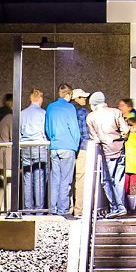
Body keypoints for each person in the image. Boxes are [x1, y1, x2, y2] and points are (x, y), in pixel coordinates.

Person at [84, 91, 128, 219]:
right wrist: (121, 140)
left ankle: (116, 207)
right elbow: (125, 130)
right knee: (119, 180)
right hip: (120, 150)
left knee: (107, 181)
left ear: (93, 104)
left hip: (106, 152)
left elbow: (95, 139)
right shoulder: (116, 112)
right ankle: (121, 206)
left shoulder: (91, 117)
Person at [46, 84, 85, 218]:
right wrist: (75, 144)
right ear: (68, 95)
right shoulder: (69, 107)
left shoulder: (51, 107)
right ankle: (63, 210)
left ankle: (52, 208)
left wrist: (53, 139)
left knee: (55, 178)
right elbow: (74, 129)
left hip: (54, 146)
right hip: (68, 146)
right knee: (66, 180)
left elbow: (47, 128)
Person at [17, 88, 49, 211]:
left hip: (25, 147)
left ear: (30, 98)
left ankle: (27, 208)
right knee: (39, 179)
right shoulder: (43, 113)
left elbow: (18, 133)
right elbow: (44, 132)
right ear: (40, 99)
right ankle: (39, 209)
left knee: (27, 179)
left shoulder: (22, 113)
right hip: (39, 147)